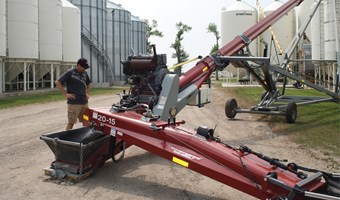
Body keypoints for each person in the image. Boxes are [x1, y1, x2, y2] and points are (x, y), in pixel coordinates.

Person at [55, 58, 91, 130]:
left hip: (84, 103)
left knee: (86, 120)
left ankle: (86, 137)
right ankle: (66, 139)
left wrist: (87, 93)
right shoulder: (70, 73)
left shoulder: (84, 73)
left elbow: (88, 83)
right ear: (78, 65)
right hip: (74, 103)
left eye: (86, 67)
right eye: (83, 67)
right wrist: (66, 94)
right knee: (71, 122)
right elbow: (58, 82)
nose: (85, 69)